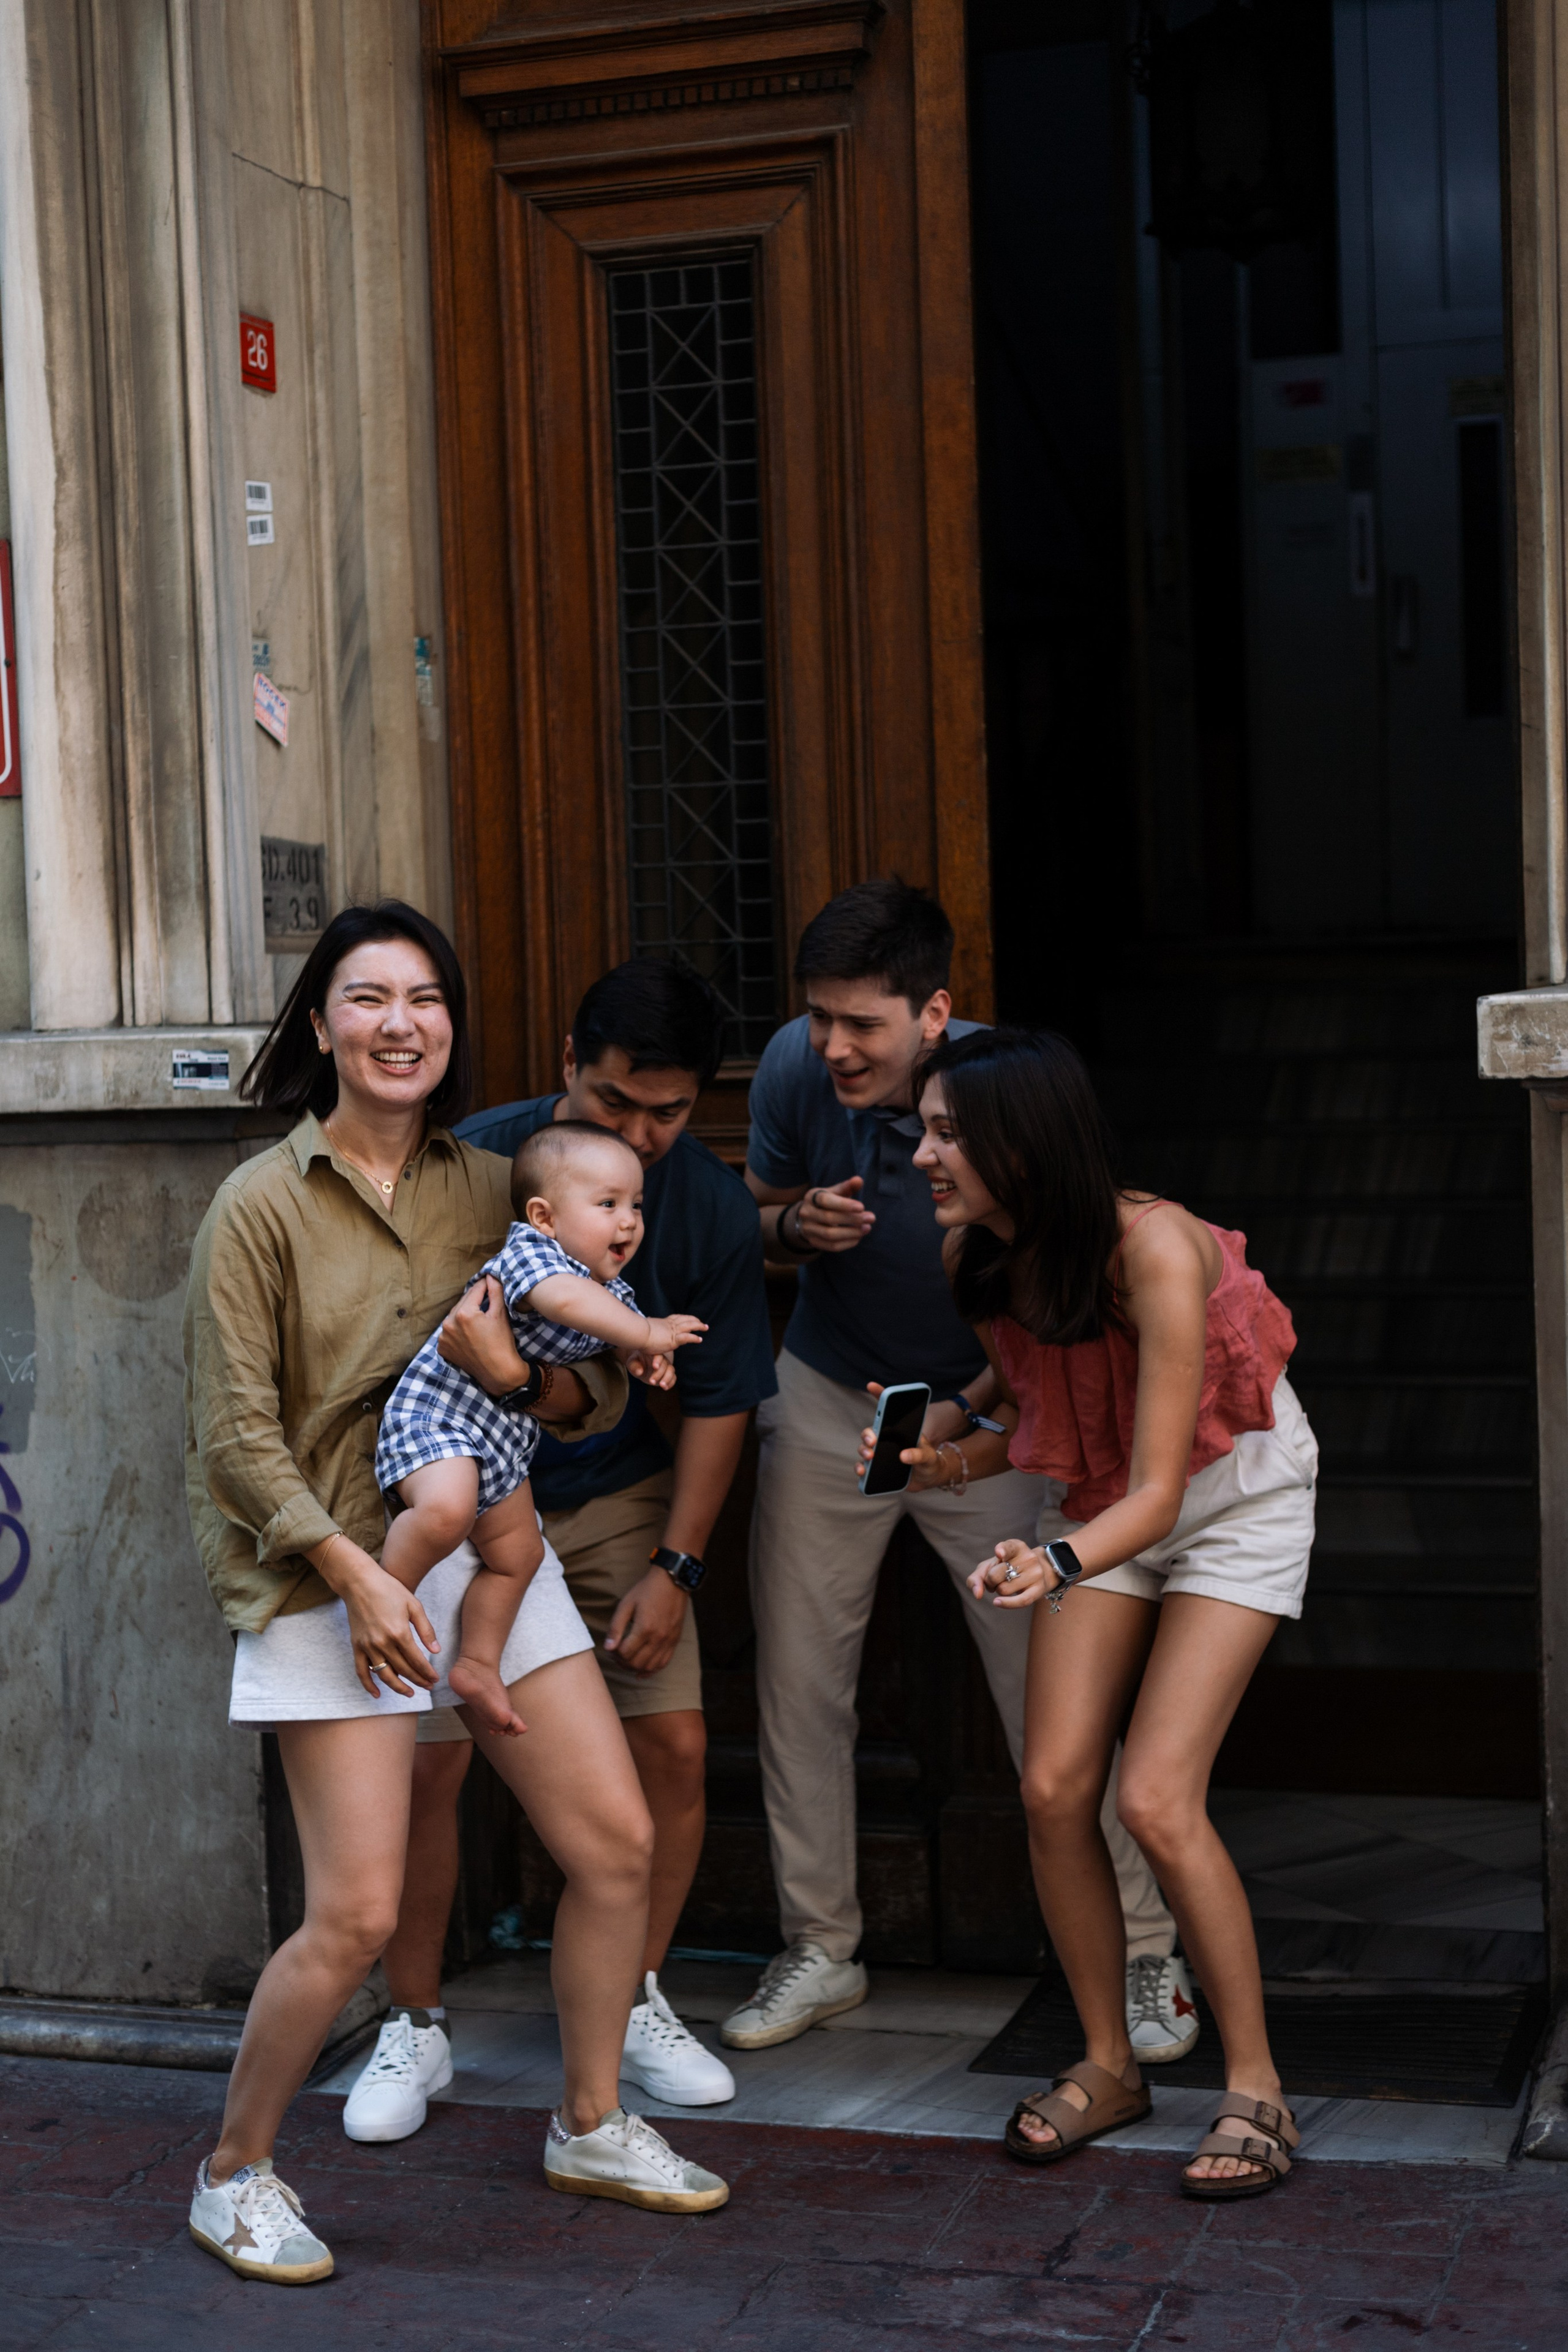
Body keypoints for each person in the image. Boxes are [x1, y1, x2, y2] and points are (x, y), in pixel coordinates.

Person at [183, 903, 727, 2288]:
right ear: (322, 1025)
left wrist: (511, 1380)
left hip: (490, 1540)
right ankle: (232, 2168)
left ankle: (592, 2119)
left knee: (612, 1846)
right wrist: (357, 1573)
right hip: (325, 1571)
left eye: (425, 995)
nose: (400, 1019)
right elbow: (235, 1437)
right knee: (354, 1914)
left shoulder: (495, 1183)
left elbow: (588, 1383)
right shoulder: (258, 1202)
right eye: (368, 995)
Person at [728, 878, 1189, 2059]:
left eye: (862, 1026)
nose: (832, 1046)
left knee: (1052, 1697)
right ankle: (820, 1948)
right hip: (834, 1393)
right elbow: (756, 1203)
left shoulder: (1005, 1092)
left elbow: (1076, 1251)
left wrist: (985, 1421)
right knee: (799, 1681)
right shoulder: (792, 1065)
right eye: (819, 1017)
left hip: (991, 1419)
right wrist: (790, 1233)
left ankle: (1145, 1954)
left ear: (934, 1013)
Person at [883, 1025, 1314, 2199]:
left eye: (947, 1134)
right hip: (1098, 1497)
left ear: (1027, 1145)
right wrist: (947, 1459)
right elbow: (1033, 1394)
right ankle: (1111, 2064)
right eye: (923, 1129)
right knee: (1054, 1786)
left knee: (1157, 1797)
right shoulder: (978, 1248)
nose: (923, 1155)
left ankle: (1257, 2086)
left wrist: (1054, 1562)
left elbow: (1168, 1489)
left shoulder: (1157, 1249)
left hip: (1233, 1492)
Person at [350, 956, 774, 2139]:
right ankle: (414, 2018)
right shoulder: (485, 1163)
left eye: (672, 1111)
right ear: (568, 1071)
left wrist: (678, 1567)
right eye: (616, 1103)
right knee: (431, 1762)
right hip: (466, 1489)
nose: (641, 1135)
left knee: (676, 1746)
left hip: (620, 1498)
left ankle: (633, 1998)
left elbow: (721, 1400)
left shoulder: (712, 1208)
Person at [374, 1121, 705, 1736]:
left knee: (520, 1553)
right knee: (447, 1511)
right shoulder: (534, 1255)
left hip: (502, 1446)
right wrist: (649, 1332)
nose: (628, 1221)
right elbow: (566, 1305)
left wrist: (645, 1357)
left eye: (636, 1204)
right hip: (440, 1417)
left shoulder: (612, 1291)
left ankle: (476, 1662)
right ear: (543, 1216)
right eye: (607, 1205)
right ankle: (382, 1601)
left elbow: (612, 1334)